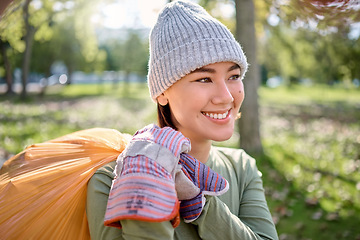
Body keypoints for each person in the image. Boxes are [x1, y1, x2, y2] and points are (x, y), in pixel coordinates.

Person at [86, 1, 279, 239]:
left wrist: (200, 203)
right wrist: (145, 188)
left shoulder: (242, 167)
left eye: (234, 76)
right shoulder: (110, 179)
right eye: (204, 79)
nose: (226, 96)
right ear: (162, 92)